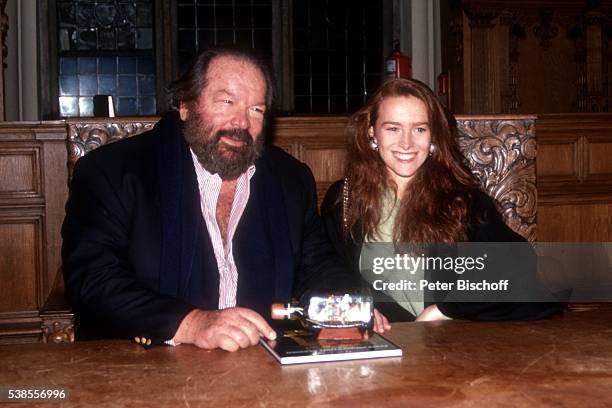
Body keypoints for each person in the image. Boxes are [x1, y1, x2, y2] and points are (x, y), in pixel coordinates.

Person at [62, 47, 377, 352]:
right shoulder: (113, 171)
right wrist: (191, 323)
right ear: (186, 105)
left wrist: (348, 302)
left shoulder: (289, 179)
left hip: (261, 366)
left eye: (256, 109)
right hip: (145, 365)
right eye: (227, 101)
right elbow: (93, 278)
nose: (241, 122)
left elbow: (318, 263)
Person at [321, 78, 563, 322]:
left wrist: (446, 310)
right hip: (383, 344)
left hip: (451, 344)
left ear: (433, 136)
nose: (407, 143)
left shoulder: (462, 201)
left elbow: (518, 268)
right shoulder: (344, 200)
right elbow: (328, 271)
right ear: (372, 132)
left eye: (419, 129)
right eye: (393, 128)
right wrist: (358, 307)